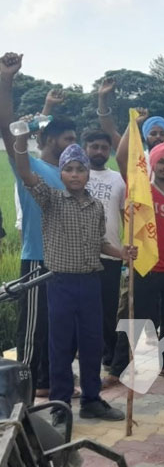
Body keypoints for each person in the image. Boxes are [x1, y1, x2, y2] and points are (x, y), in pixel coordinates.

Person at [13, 134, 135, 426]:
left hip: (91, 282)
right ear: (61, 173)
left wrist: (122, 252)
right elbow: (26, 174)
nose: (75, 174)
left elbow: (100, 243)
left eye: (80, 169)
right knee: (61, 346)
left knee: (92, 343)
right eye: (69, 169)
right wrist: (20, 142)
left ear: (88, 173)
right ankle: (60, 404)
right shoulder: (51, 199)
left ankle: (92, 400)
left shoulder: (96, 207)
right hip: (60, 283)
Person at [0, 52, 77, 399]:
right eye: (67, 140)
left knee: (59, 330)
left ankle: (46, 386)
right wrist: (6, 80)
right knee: (32, 334)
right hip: (38, 261)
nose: (73, 146)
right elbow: (7, 128)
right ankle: (21, 402)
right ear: (48, 140)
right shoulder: (29, 168)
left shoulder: (70, 176)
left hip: (66, 263)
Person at [103, 142, 164, 387]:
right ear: (153, 164)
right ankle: (118, 369)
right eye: (161, 162)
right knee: (132, 319)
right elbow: (122, 157)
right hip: (144, 268)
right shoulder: (140, 193)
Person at [81, 130, 127, 368]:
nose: (99, 151)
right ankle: (85, 351)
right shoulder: (75, 176)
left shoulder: (118, 179)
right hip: (79, 256)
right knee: (82, 308)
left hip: (111, 254)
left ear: (110, 151)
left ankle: (109, 354)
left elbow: (126, 216)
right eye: (94, 146)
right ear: (85, 148)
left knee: (108, 309)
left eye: (104, 148)